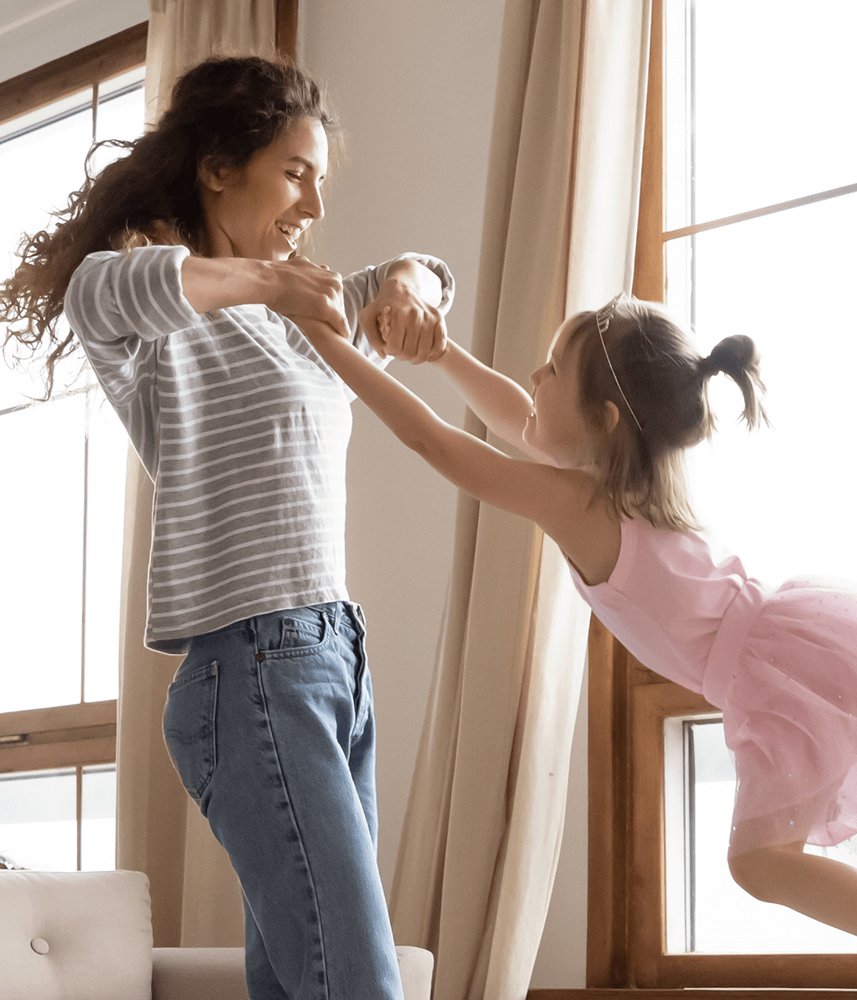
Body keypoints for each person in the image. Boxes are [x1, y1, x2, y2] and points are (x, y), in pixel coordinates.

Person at [1, 56, 453, 1000]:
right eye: (295, 172)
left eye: (320, 180)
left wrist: (410, 281)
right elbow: (109, 290)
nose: (313, 205)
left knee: (302, 980)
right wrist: (266, 283)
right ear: (217, 167)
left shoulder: (301, 316)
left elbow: (418, 275)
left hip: (336, 662)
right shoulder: (155, 315)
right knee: (358, 982)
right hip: (252, 671)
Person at [298, 294, 857, 936]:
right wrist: (443, 354)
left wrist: (330, 344)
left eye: (552, 368)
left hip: (778, 666)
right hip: (795, 643)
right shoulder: (627, 487)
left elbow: (440, 446)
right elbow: (521, 414)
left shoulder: (586, 505)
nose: (535, 379)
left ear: (602, 417)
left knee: (760, 864)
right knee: (761, 863)